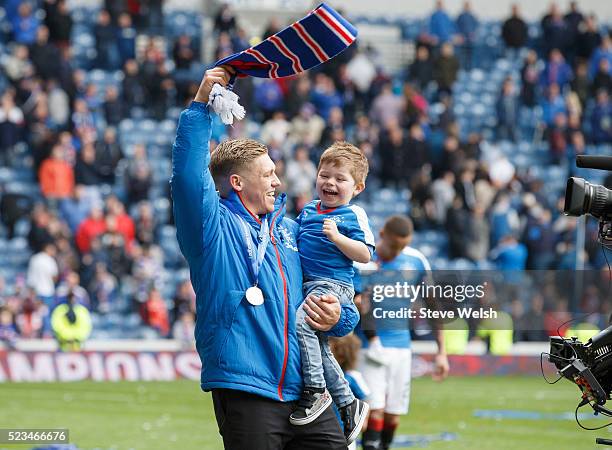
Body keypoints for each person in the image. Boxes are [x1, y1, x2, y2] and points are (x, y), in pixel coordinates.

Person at [170, 67, 359, 450]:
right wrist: (202, 103)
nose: (277, 181)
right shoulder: (211, 228)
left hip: (308, 393)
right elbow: (189, 175)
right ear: (238, 183)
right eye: (268, 173)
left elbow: (335, 280)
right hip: (247, 387)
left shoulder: (293, 230)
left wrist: (341, 316)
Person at [290, 142, 374, 444]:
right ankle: (348, 402)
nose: (330, 183)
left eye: (340, 179)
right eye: (325, 175)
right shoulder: (309, 209)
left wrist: (338, 238)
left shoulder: (354, 214)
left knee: (303, 323)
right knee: (319, 346)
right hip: (307, 284)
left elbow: (365, 255)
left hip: (332, 285)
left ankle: (315, 392)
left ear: (358, 186)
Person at [354, 215, 449, 450]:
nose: (397, 251)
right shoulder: (364, 260)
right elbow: (359, 304)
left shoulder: (416, 260)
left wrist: (442, 352)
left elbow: (433, 306)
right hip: (368, 347)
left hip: (402, 348)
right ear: (382, 234)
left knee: (393, 415)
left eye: (402, 246)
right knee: (373, 410)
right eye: (394, 245)